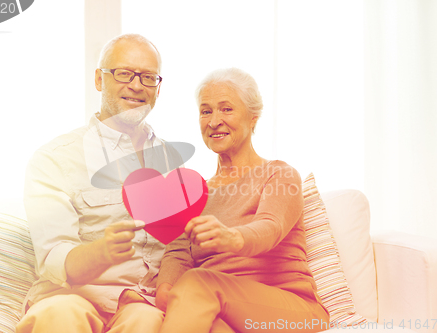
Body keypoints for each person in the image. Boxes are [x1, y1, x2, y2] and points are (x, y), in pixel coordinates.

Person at [155, 68, 330, 333]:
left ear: (253, 119)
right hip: (218, 305)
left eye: (226, 109)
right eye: (206, 111)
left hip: (291, 310)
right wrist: (165, 290)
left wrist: (232, 238)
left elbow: (270, 227)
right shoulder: (193, 194)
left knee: (197, 282)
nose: (214, 121)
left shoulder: (279, 174)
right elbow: (178, 253)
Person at [16, 34, 169, 333]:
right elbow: (53, 257)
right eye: (124, 74)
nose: (137, 85)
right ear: (100, 79)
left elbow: (179, 249)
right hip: (72, 296)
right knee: (61, 315)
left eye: (148, 77)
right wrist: (103, 252)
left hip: (141, 303)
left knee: (147, 321)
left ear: (158, 88)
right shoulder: (55, 159)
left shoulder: (170, 161)